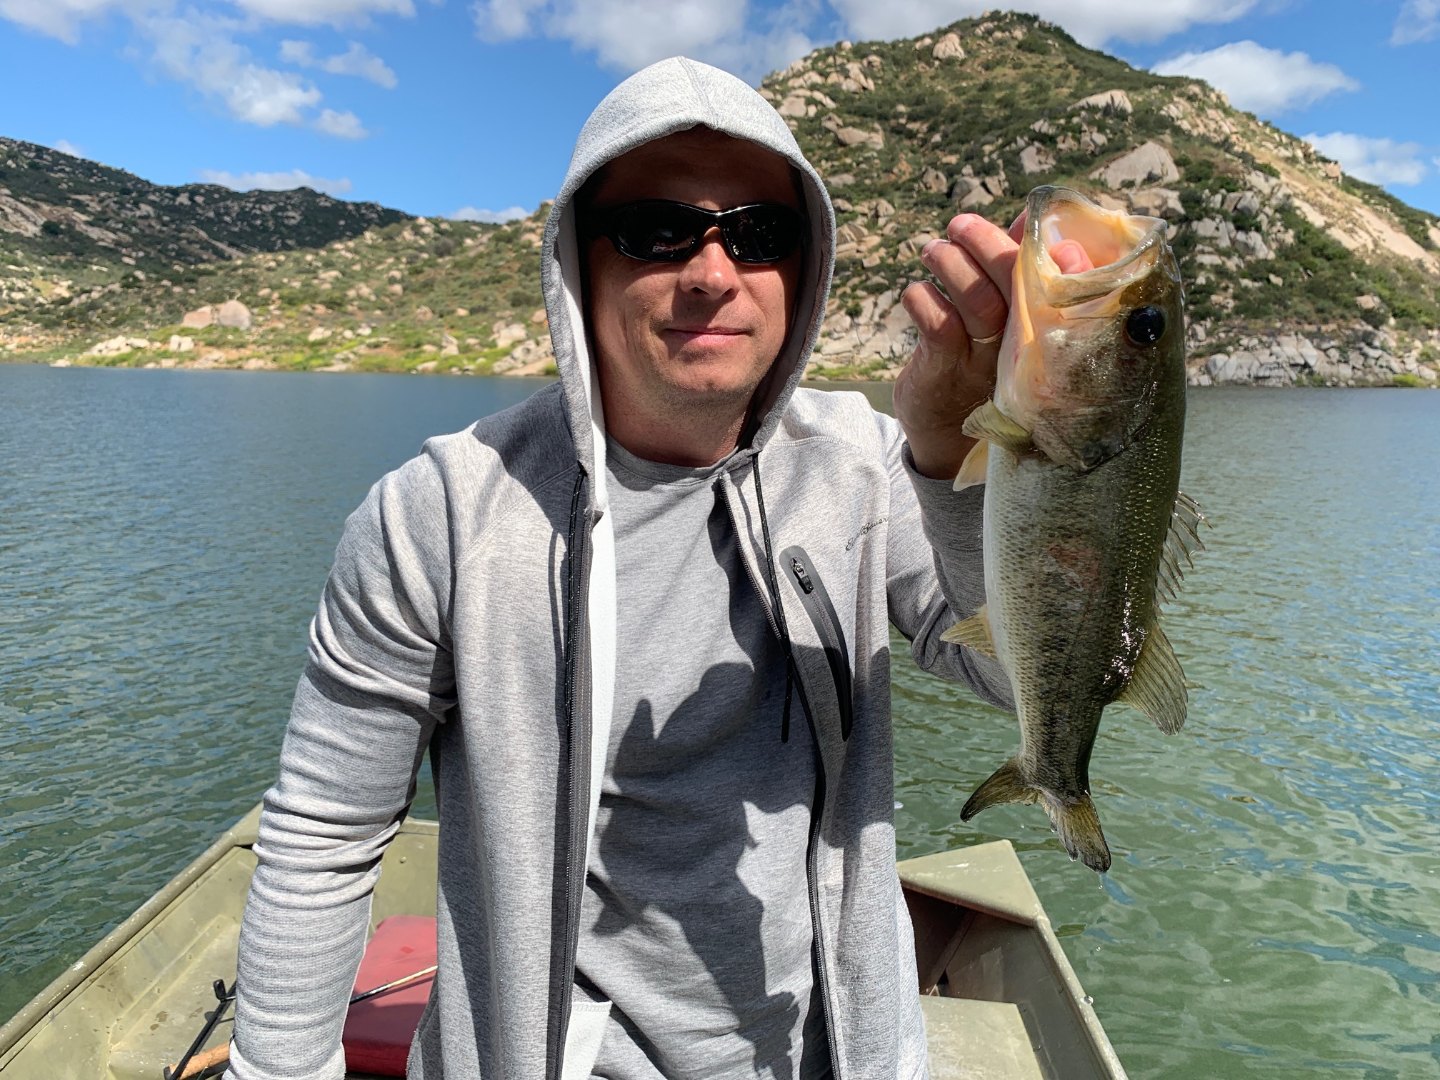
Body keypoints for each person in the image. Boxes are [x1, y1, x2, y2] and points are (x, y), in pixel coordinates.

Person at [229, 56, 1037, 1080]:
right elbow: (323, 835)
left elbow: (1018, 678)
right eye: (659, 229)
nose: (712, 273)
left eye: (759, 233)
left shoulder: (870, 468)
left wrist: (952, 459)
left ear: (803, 269)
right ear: (581, 261)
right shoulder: (439, 516)